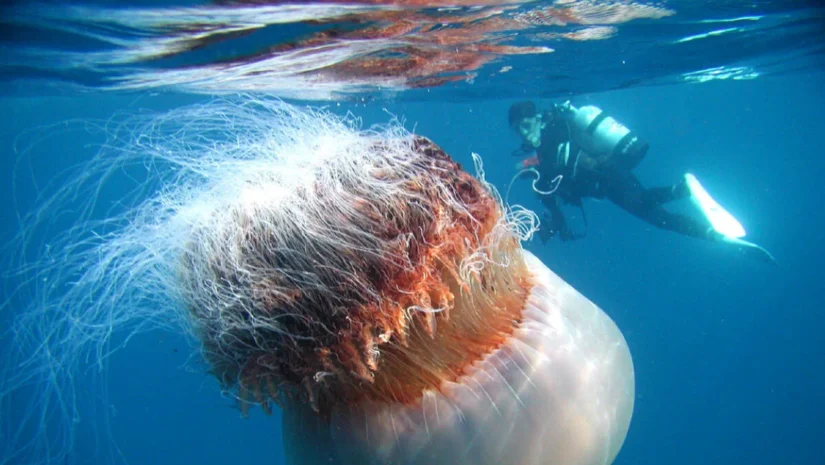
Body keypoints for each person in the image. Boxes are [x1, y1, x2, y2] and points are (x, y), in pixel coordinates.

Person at [507, 100, 776, 264]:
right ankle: (683, 189)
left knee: (659, 218)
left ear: (536, 119)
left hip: (609, 179)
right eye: (518, 128)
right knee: (648, 204)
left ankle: (714, 233)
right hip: (611, 177)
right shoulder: (556, 132)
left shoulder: (551, 139)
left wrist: (554, 220)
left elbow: (551, 186)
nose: (524, 131)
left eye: (525, 124)